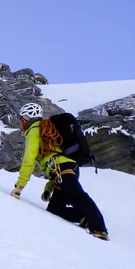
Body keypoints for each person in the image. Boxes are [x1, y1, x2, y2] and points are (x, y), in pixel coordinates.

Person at [9, 103, 109, 241]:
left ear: (26, 118)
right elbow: (52, 159)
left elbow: (29, 160)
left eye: (22, 119)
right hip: (65, 168)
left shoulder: (34, 131)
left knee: (77, 196)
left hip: (63, 170)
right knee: (54, 209)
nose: (21, 122)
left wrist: (19, 186)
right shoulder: (45, 130)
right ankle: (83, 218)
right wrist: (49, 188)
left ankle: (99, 229)